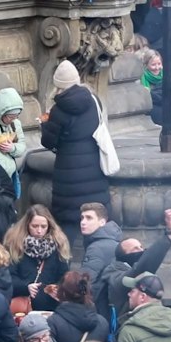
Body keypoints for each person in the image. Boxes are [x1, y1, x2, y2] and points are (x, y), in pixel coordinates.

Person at [42, 61, 108, 238]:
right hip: (93, 168)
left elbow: (48, 142)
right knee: (94, 225)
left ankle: (65, 263)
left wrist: (45, 125)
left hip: (69, 175)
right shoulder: (94, 101)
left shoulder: (58, 110)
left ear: (58, 85)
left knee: (67, 228)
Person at [4, 205, 70, 313]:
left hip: (50, 308)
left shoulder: (58, 245)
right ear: (27, 226)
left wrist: (57, 288)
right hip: (24, 308)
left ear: (49, 226)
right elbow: (8, 277)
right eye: (35, 226)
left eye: (43, 226)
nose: (39, 231)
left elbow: (64, 275)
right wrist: (26, 287)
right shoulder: (15, 246)